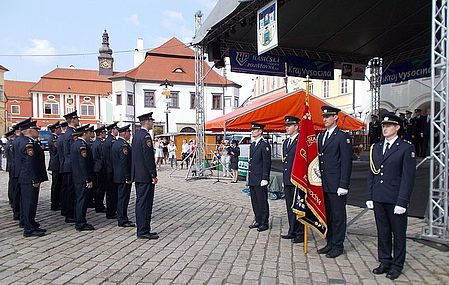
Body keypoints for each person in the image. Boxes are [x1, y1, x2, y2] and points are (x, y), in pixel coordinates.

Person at [366, 113, 416, 280]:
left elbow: (408, 178)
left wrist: (403, 201)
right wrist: (370, 195)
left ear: (397, 127)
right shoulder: (377, 147)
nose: (385, 128)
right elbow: (372, 174)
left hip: (395, 198)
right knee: (383, 232)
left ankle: (397, 265)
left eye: (388, 126)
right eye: (383, 126)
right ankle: (385, 261)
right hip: (379, 197)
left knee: (398, 234)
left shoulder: (405, 148)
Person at [317, 106, 353, 258]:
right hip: (324, 183)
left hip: (336, 183)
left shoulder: (342, 136)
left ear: (336, 118)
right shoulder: (322, 135)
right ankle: (330, 242)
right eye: (324, 117)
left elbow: (346, 162)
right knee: (328, 216)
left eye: (328, 116)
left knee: (338, 216)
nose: (324, 119)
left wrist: (343, 184)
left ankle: (338, 245)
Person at [131, 112, 159, 240]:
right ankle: (143, 230)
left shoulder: (136, 135)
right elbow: (148, 158)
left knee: (141, 202)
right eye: (151, 121)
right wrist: (153, 174)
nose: (152, 123)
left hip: (139, 174)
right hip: (145, 176)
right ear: (147, 122)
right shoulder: (146, 136)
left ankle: (143, 229)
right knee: (145, 203)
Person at [18, 120, 48, 237]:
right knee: (29, 203)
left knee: (30, 203)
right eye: (36, 130)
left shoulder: (29, 142)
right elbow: (29, 163)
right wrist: (34, 179)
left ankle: (30, 223)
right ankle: (29, 229)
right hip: (29, 178)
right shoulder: (28, 144)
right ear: (30, 131)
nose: (38, 132)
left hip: (28, 178)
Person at [281, 115, 304, 244]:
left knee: (298, 206)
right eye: (286, 125)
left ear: (296, 126)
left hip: (297, 179)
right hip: (288, 179)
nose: (287, 128)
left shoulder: (300, 141)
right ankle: (292, 230)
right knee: (290, 206)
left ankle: (300, 232)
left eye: (289, 125)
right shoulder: (286, 142)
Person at [248, 122, 271, 232]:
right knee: (255, 200)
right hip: (253, 177)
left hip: (260, 177)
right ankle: (258, 219)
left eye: (255, 130)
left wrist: (265, 178)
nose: (252, 131)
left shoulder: (264, 144)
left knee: (262, 201)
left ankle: (264, 222)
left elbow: (266, 162)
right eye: (252, 130)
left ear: (260, 131)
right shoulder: (253, 144)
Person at [71, 125, 95, 231]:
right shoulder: (82, 145)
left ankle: (79, 219)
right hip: (82, 178)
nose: (90, 135)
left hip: (77, 177)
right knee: (82, 200)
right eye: (89, 133)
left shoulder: (76, 143)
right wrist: (87, 179)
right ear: (84, 134)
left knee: (79, 199)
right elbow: (83, 164)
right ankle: (81, 223)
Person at [58, 111, 80, 223]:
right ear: (72, 120)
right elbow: (73, 152)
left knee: (67, 190)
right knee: (71, 191)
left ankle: (67, 212)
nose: (78, 121)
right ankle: (71, 214)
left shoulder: (64, 134)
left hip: (65, 165)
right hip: (71, 166)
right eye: (77, 119)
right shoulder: (72, 134)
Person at [112, 124, 135, 228]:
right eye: (129, 132)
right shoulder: (123, 145)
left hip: (117, 175)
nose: (130, 134)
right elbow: (124, 162)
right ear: (124, 133)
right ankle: (122, 220)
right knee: (123, 198)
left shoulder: (116, 143)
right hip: (123, 176)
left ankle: (122, 218)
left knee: (121, 198)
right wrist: (128, 177)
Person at [103, 122, 118, 219]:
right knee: (112, 192)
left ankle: (110, 211)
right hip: (111, 170)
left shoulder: (107, 140)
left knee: (110, 192)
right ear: (113, 130)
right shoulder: (112, 141)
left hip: (107, 169)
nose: (118, 131)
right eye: (116, 129)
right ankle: (111, 211)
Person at [48, 121, 62, 211]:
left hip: (57, 164)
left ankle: (57, 202)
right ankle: (55, 203)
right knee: (56, 184)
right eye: (59, 128)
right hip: (56, 164)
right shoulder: (54, 139)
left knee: (58, 184)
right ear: (56, 129)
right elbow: (57, 151)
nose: (61, 130)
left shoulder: (56, 138)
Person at [92, 125, 107, 213]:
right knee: (99, 188)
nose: (105, 134)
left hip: (100, 168)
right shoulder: (97, 143)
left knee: (101, 188)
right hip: (99, 169)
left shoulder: (99, 142)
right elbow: (96, 157)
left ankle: (100, 204)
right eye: (104, 132)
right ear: (100, 133)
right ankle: (99, 205)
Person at [5, 128, 16, 208]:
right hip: (13, 165)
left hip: (10, 165)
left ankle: (12, 199)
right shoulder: (11, 144)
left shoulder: (9, 143)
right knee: (12, 184)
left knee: (11, 183)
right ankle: (12, 199)